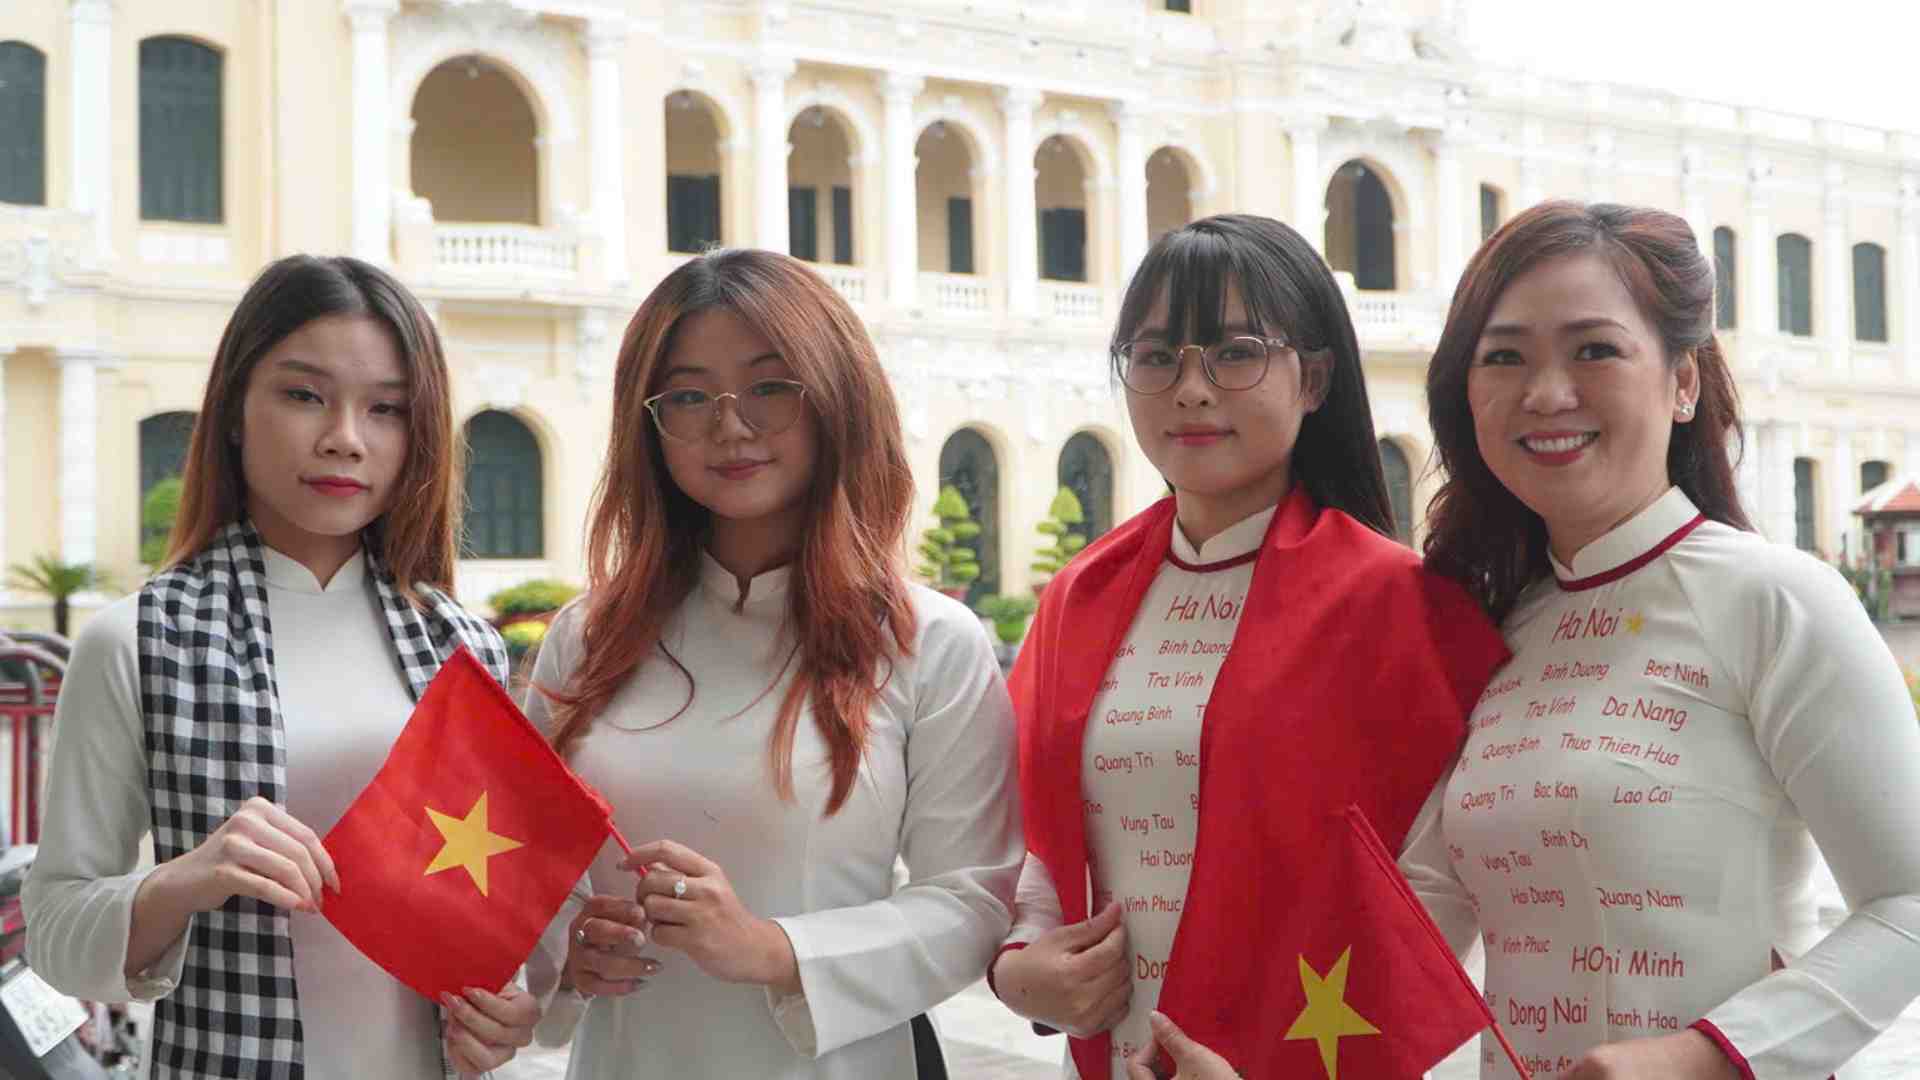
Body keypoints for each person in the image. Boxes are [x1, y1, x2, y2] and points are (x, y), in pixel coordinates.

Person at [1395, 200, 1920, 1079]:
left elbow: (1909, 901)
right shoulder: (1489, 630)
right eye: (1504, 357)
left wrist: (1702, 1058)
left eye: (1595, 349)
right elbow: (1422, 919)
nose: (1547, 392)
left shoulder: (1775, 599)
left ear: (1683, 382)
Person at [988, 213, 1510, 1079]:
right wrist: (1019, 967)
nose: (1190, 390)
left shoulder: (1396, 602)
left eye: (1234, 352)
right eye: (1156, 358)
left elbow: (1433, 895)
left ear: (1313, 379)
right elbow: (1036, 828)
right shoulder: (1083, 594)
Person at [23, 254, 539, 1078]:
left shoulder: (463, 647)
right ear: (233, 410)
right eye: (304, 395)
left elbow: (488, 918)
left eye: (387, 409)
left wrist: (507, 1013)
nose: (344, 436)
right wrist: (184, 880)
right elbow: (52, 932)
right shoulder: (138, 641)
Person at [521, 248, 1021, 1079]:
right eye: (687, 395)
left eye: (770, 386)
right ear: (648, 424)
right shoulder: (589, 638)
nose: (730, 425)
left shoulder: (929, 641)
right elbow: (524, 873)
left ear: (837, 399)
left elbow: (972, 903)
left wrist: (772, 948)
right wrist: (568, 957)